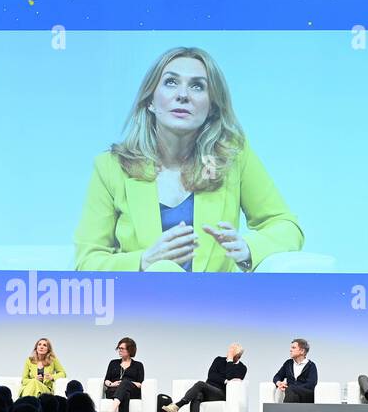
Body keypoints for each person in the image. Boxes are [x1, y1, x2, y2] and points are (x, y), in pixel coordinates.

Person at [73, 46, 303, 272]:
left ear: (212, 107)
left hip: (213, 304)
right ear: (150, 101)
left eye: (197, 86)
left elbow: (287, 227)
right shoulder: (112, 167)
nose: (183, 95)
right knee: (163, 270)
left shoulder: (233, 158)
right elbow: (86, 262)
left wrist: (248, 248)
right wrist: (144, 261)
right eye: (171, 82)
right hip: (142, 305)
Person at [161, 342, 247, 412]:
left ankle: (178, 405)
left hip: (221, 394)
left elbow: (230, 375)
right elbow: (211, 376)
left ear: (237, 356)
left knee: (200, 384)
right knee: (197, 394)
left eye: (231, 352)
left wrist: (230, 361)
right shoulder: (218, 360)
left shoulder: (242, 368)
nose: (228, 353)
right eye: (229, 351)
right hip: (208, 390)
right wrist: (226, 380)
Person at [102, 337, 144, 412]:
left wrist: (126, 383)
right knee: (124, 393)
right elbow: (106, 380)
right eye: (119, 348)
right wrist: (112, 384)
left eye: (122, 348)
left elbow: (140, 383)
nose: (119, 350)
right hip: (113, 390)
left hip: (133, 390)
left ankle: (111, 411)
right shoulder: (113, 363)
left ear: (130, 350)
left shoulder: (138, 365)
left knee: (125, 383)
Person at [271, 338, 318, 404]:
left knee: (291, 390)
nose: (290, 350)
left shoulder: (311, 365)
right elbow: (277, 376)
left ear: (302, 351)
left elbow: (311, 384)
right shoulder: (288, 363)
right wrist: (279, 383)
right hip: (290, 394)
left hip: (305, 395)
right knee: (288, 392)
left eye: (293, 348)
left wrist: (292, 388)